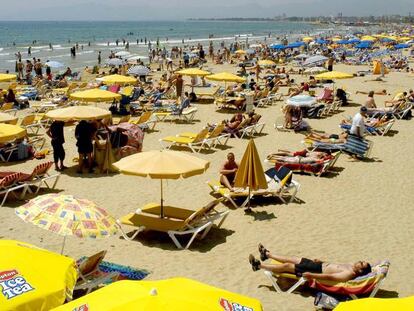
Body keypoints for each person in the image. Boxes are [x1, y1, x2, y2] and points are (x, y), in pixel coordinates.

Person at [249, 244, 372, 282]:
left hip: (316, 271)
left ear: (360, 270)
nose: (359, 261)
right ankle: (267, 254)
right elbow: (334, 266)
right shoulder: (350, 266)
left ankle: (258, 265)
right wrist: (322, 261)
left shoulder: (349, 274)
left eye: (361, 263)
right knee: (292, 258)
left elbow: (330, 276)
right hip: (318, 265)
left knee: (287, 266)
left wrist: (311, 275)